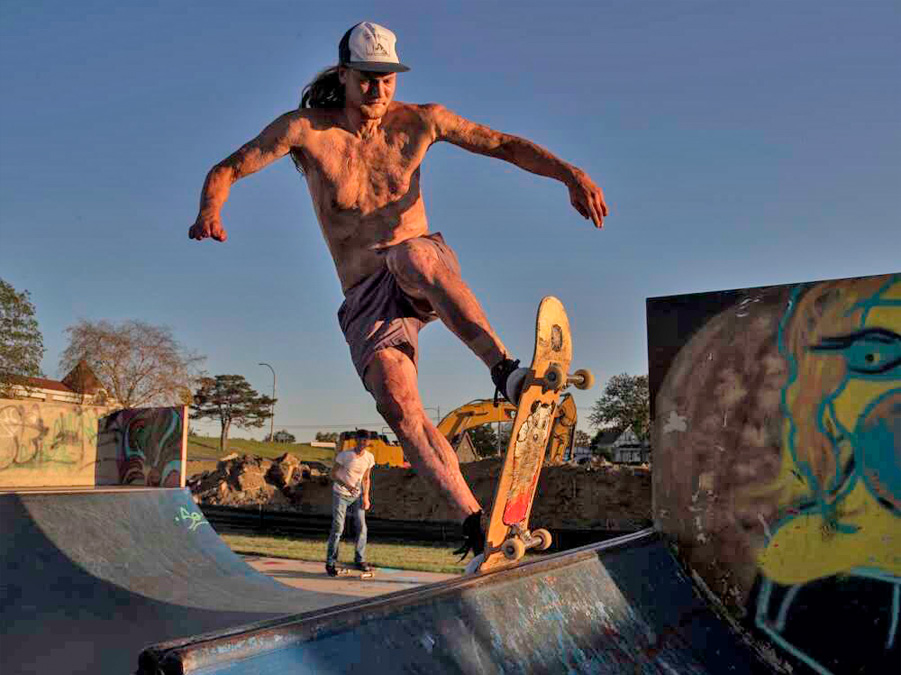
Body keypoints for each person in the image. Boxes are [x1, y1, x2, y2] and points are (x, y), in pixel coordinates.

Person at [188, 21, 608, 559]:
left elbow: (500, 144)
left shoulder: (421, 122)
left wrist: (568, 174)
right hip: (365, 296)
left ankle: (506, 373)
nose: (378, 92)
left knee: (409, 252)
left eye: (386, 80)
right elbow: (230, 166)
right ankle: (477, 524)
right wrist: (210, 209)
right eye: (366, 79)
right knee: (397, 403)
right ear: (343, 76)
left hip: (421, 270)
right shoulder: (305, 130)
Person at [326, 431, 375, 576]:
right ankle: (331, 562)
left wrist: (366, 497)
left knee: (361, 527)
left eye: (365, 441)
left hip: (357, 495)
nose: (362, 444)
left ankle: (360, 560)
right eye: (360, 441)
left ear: (368, 442)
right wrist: (347, 485)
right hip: (341, 494)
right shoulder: (345, 455)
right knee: (338, 527)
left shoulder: (369, 457)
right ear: (355, 441)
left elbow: (366, 479)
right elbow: (332, 474)